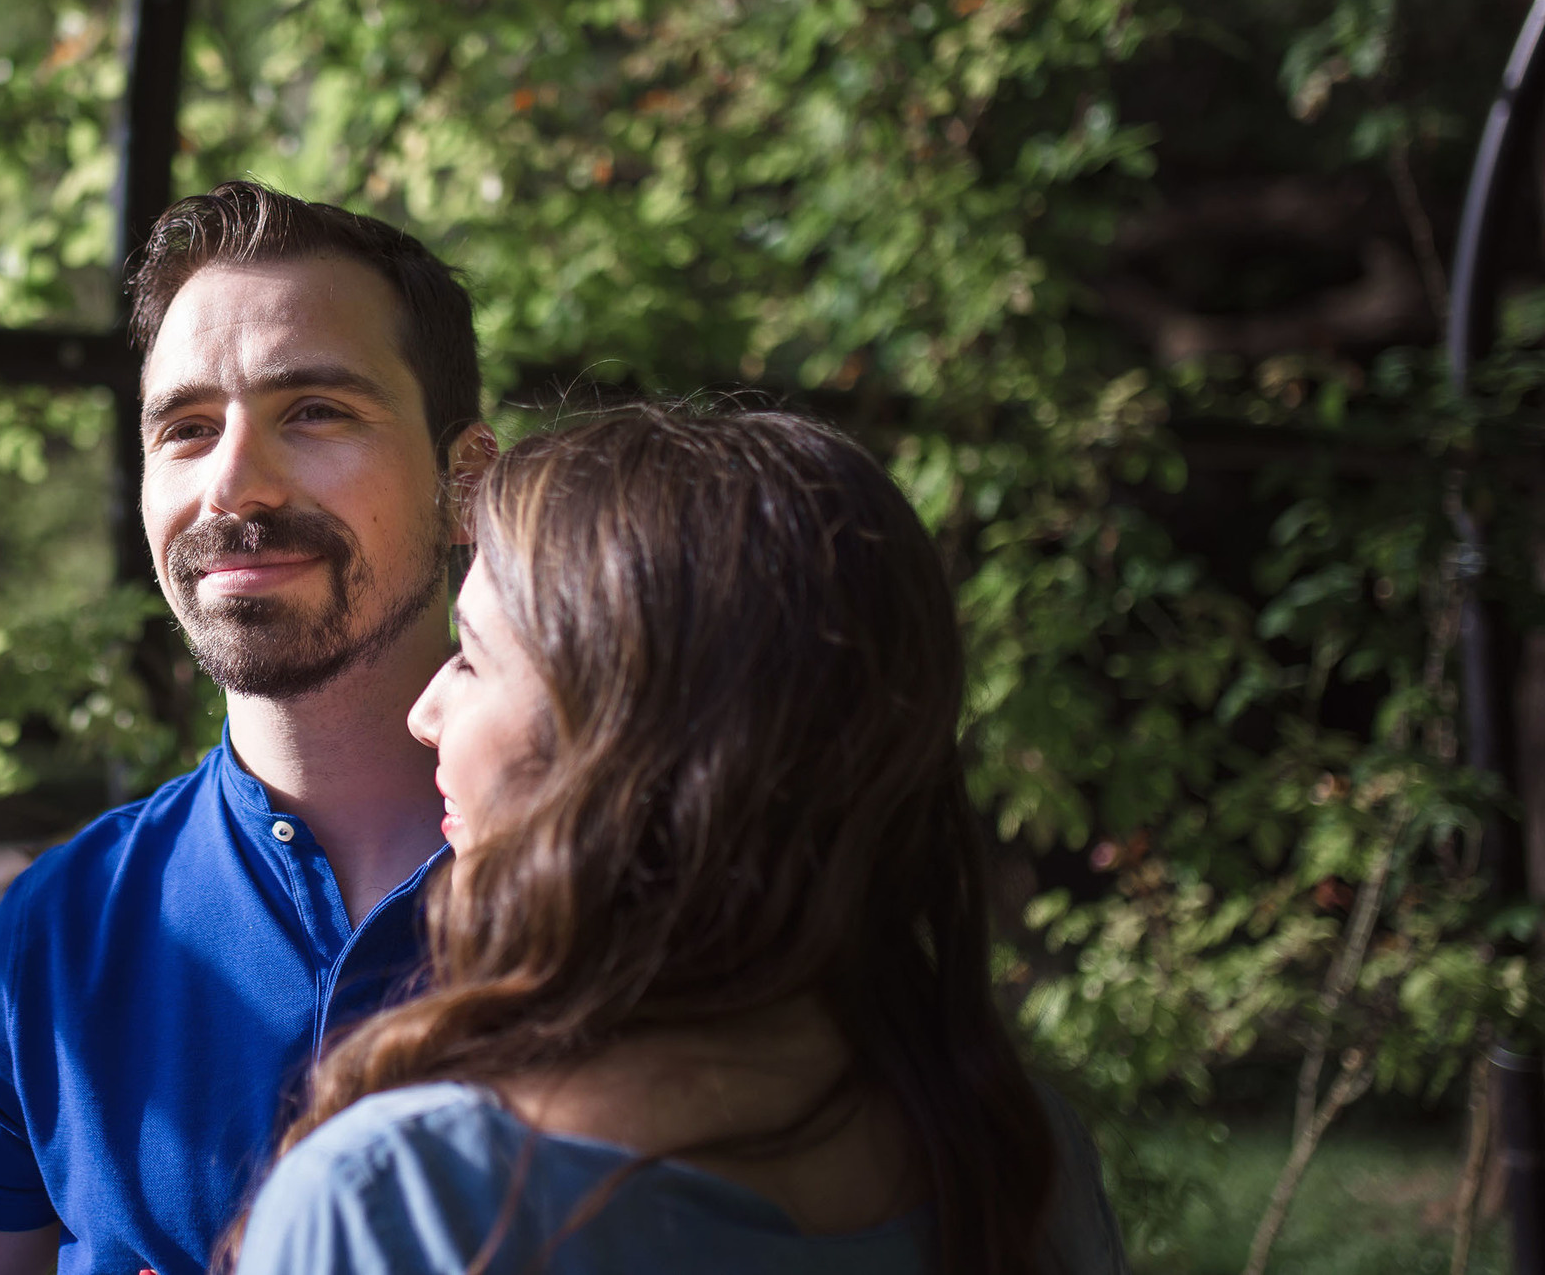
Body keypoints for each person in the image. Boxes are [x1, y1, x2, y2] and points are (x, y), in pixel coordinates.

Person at [235, 407, 1130, 1275]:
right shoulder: (1022, 1163)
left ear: (628, 747)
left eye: (471, 657)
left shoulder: (402, 1204)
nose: (425, 713)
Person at [0, 183, 500, 1275]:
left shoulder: (647, 891)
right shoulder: (51, 945)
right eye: (187, 429)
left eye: (315, 412)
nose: (231, 485)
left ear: (464, 483)